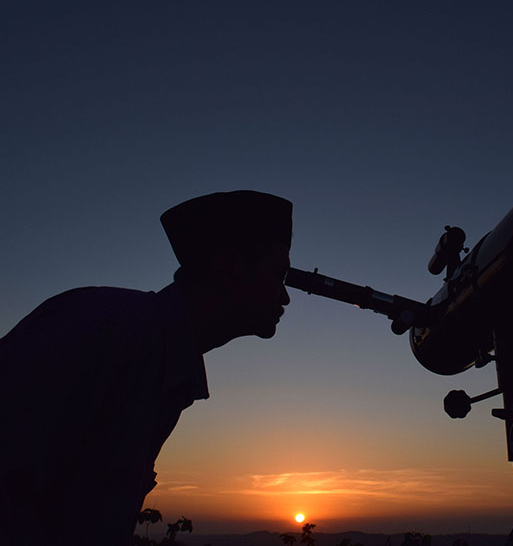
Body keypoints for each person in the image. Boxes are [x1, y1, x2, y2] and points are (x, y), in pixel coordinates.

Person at [0, 191, 293, 546]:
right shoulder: (99, 327)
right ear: (229, 268)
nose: (285, 296)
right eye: (278, 273)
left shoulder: (164, 363)